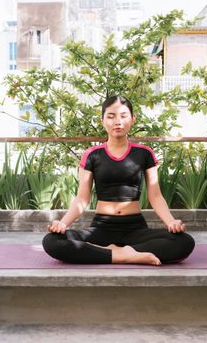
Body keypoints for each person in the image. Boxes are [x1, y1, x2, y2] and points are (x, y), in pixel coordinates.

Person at [42, 95, 195, 265]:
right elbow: (82, 198)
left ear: (132, 119)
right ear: (102, 121)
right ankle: (124, 256)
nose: (118, 121)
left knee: (184, 241)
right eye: (111, 116)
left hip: (135, 228)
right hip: (101, 228)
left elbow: (156, 196)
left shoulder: (144, 153)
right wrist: (63, 224)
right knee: (52, 241)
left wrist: (171, 222)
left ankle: (109, 253)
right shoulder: (92, 154)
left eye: (123, 116)